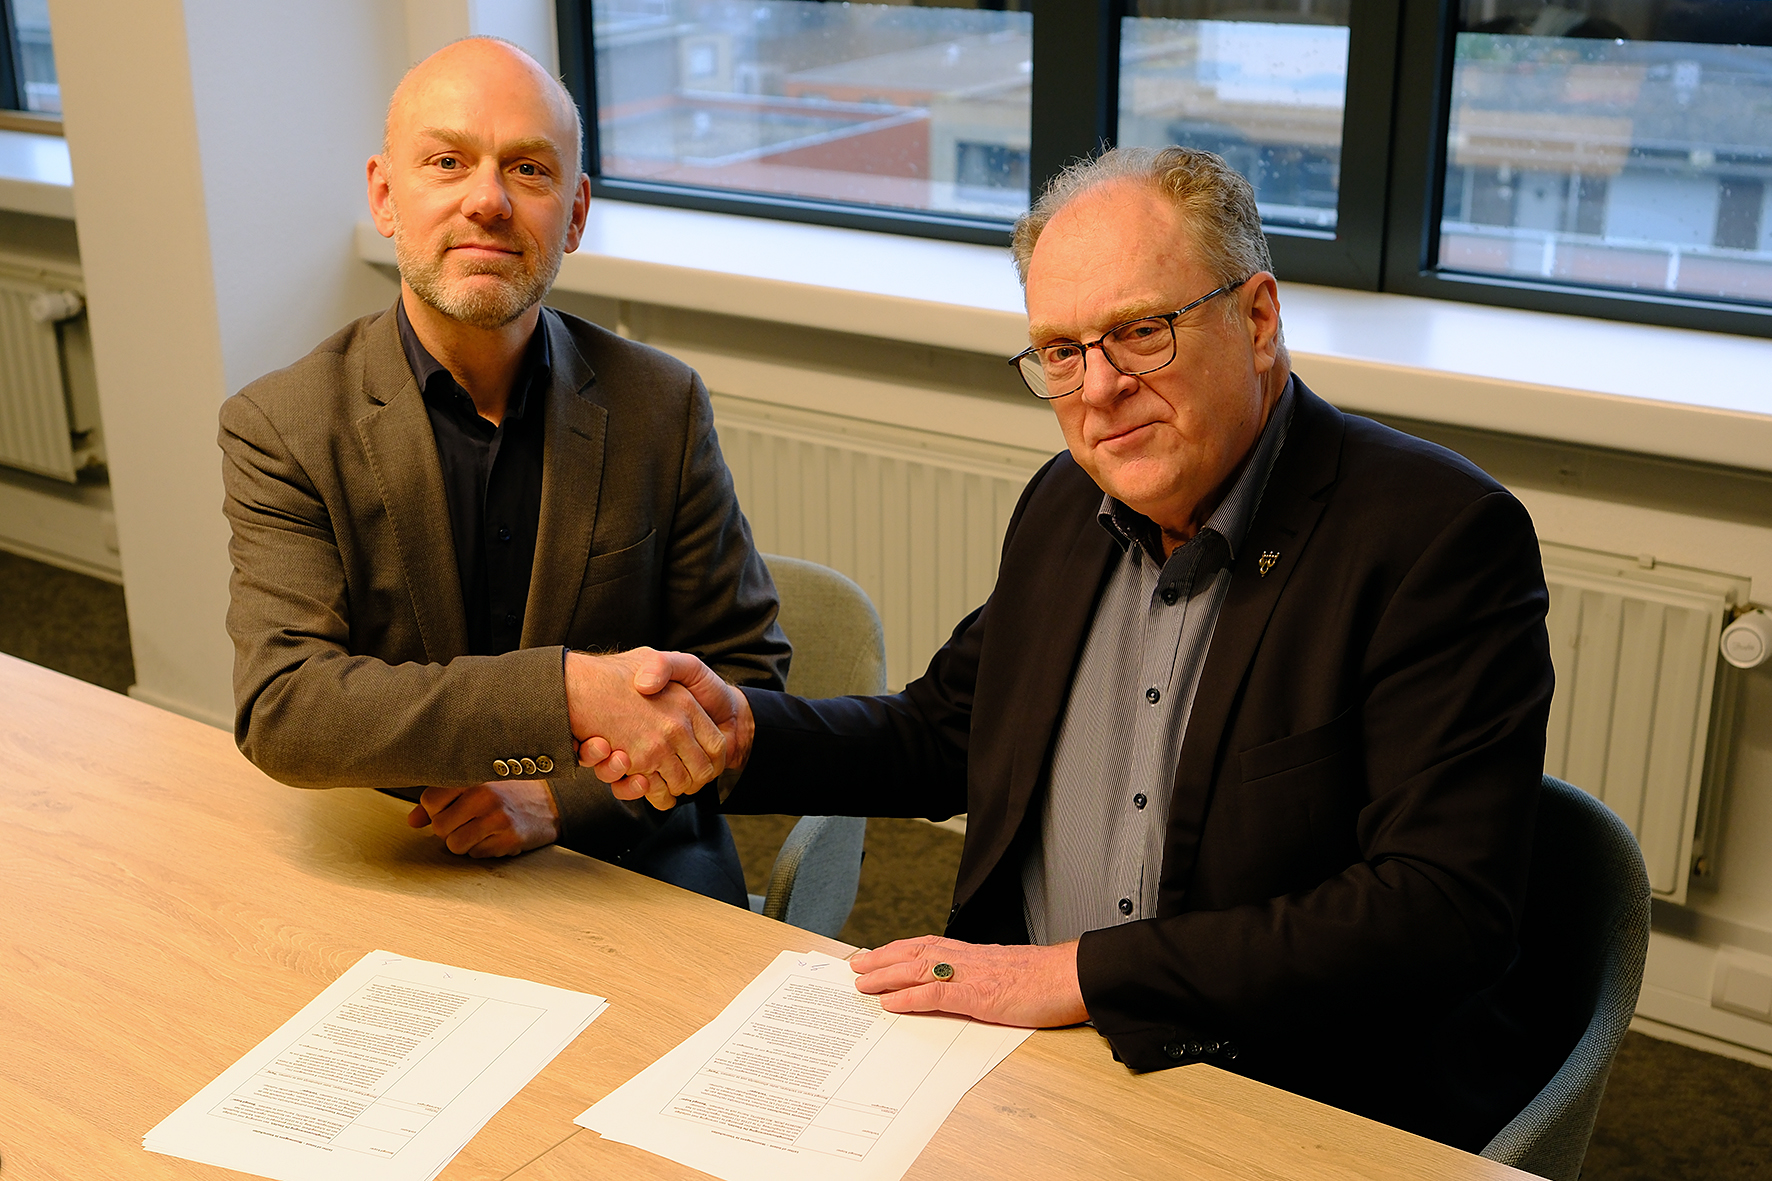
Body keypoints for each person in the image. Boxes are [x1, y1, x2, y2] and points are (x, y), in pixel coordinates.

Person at [584, 147, 1557, 1149]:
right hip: (1023, 1060)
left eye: (1141, 332)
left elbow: (1438, 910)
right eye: (1059, 350)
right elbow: (946, 730)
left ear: (1256, 318)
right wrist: (738, 731)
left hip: (1276, 1086)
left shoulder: (1436, 537)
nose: (1096, 389)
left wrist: (1077, 973)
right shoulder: (1065, 503)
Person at [218, 37, 786, 905]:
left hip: (629, 858)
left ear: (576, 212)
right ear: (385, 195)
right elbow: (287, 710)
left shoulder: (659, 407)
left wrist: (562, 797)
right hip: (402, 858)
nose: (486, 201)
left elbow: (743, 674)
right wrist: (565, 693)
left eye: (527, 170)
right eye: (447, 162)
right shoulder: (284, 427)